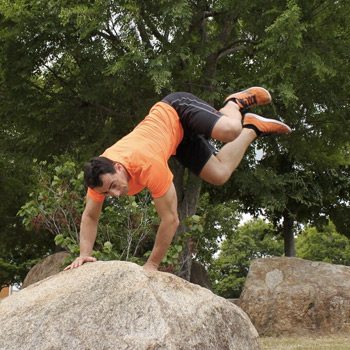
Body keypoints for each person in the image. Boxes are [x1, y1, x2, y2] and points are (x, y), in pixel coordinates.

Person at [64, 87, 291, 272]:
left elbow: (170, 219)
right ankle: (252, 127)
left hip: (176, 110)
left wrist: (151, 265)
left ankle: (234, 103)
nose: (114, 194)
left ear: (118, 167)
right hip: (176, 140)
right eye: (107, 193)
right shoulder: (99, 178)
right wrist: (85, 255)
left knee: (230, 129)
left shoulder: (146, 165)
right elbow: (90, 215)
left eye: (113, 186)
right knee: (219, 174)